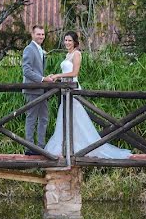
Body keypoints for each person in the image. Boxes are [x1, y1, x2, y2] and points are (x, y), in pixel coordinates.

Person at [44, 31, 132, 159]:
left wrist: (58, 75)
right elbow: (66, 71)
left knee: (76, 118)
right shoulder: (68, 55)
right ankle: (68, 146)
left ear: (75, 42)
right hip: (65, 88)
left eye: (69, 40)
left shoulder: (77, 54)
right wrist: (55, 77)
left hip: (72, 89)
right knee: (67, 118)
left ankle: (81, 147)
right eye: (65, 40)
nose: (67, 43)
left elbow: (74, 73)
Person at [21, 25, 53, 154]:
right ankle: (29, 148)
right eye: (38, 34)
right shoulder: (29, 49)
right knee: (31, 118)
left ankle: (40, 146)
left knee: (44, 118)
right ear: (32, 35)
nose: (41, 36)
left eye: (43, 34)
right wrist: (43, 79)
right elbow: (26, 71)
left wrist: (46, 77)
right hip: (32, 89)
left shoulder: (40, 49)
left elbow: (38, 70)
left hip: (41, 90)